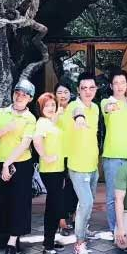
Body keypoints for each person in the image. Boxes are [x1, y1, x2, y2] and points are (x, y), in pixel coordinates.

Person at [0, 79, 37, 254]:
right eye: (17, 93)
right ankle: (10, 235)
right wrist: (7, 128)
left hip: (20, 164)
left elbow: (25, 144)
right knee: (4, 201)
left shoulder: (30, 118)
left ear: (30, 98)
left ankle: (12, 243)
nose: (20, 97)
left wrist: (8, 164)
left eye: (24, 95)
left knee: (20, 202)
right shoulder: (0, 113)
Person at [65, 72, 100, 254]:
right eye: (84, 88)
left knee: (88, 202)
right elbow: (76, 112)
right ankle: (79, 243)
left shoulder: (95, 108)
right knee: (86, 203)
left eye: (91, 87)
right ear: (78, 90)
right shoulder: (74, 106)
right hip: (78, 166)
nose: (88, 91)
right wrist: (79, 118)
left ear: (96, 89)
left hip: (93, 164)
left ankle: (84, 230)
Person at [101, 68, 127, 239]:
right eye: (115, 83)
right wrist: (111, 106)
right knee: (112, 196)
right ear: (111, 86)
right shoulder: (106, 102)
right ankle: (114, 229)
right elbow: (107, 108)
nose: (119, 86)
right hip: (112, 156)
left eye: (122, 82)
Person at [33, 92, 66, 254]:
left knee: (55, 206)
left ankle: (50, 240)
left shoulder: (51, 122)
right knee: (53, 207)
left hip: (58, 169)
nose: (51, 108)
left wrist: (58, 114)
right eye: (47, 106)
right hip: (50, 170)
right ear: (41, 108)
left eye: (53, 105)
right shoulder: (41, 122)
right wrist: (45, 156)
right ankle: (48, 247)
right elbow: (37, 140)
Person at [55, 81, 77, 235]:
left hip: (74, 153)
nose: (63, 95)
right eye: (59, 92)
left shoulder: (75, 107)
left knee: (74, 186)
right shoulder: (51, 109)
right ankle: (61, 221)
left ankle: (74, 216)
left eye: (66, 92)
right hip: (57, 154)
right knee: (59, 187)